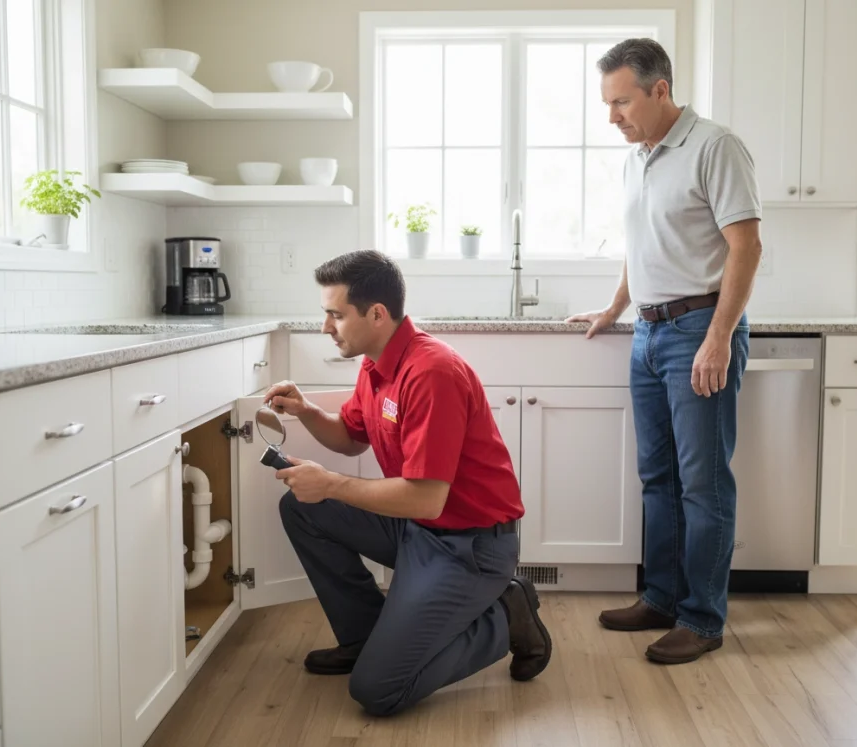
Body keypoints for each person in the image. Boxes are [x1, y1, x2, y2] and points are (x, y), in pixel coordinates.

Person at [264, 249, 553, 716]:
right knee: (301, 506)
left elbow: (426, 497)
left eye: (335, 314)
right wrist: (307, 411)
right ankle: (366, 639)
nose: (326, 327)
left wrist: (332, 485)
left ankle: (505, 615)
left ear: (376, 314)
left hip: (470, 546)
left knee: (378, 691)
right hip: (417, 530)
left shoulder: (431, 372)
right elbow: (351, 439)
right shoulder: (376, 362)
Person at [567, 38, 762, 664]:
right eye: (607, 103)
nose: (612, 117)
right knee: (659, 478)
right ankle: (661, 597)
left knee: (703, 485)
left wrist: (718, 337)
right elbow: (642, 242)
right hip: (650, 334)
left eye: (621, 101)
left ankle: (702, 621)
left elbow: (746, 248)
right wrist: (617, 307)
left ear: (659, 90)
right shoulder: (639, 158)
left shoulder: (714, 147)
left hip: (697, 332)